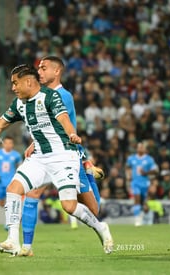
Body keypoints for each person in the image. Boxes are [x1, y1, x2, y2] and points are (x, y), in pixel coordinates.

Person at [0, 64, 113, 256]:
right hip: (39, 157)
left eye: (15, 83)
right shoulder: (19, 103)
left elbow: (64, 119)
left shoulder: (50, 96)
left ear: (28, 81)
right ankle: (13, 241)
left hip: (63, 156)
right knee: (13, 189)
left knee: (69, 206)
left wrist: (72, 134)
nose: (13, 88)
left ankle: (101, 227)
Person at [19, 56, 105, 256]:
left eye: (44, 68)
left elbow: (63, 126)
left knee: (93, 210)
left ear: (57, 71)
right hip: (47, 154)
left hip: (68, 155)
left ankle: (89, 174)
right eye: (38, 68)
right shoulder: (41, 94)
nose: (39, 72)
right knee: (32, 194)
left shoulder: (62, 95)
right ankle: (26, 246)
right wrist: (36, 143)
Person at [126, 142, 158, 226]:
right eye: (139, 147)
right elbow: (127, 167)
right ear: (136, 148)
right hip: (135, 183)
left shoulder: (149, 159)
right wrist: (128, 176)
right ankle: (137, 220)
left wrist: (146, 172)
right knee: (137, 200)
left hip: (145, 183)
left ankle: (147, 219)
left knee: (146, 204)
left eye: (142, 147)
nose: (140, 148)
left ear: (145, 149)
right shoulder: (131, 158)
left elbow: (155, 171)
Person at [0, 136, 22, 208]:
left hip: (11, 180)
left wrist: (18, 176)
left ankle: (10, 216)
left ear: (13, 144)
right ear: (3, 144)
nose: (8, 145)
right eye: (6, 143)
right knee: (1, 203)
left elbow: (21, 166)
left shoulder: (16, 155)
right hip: (0, 180)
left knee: (12, 201)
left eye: (10, 143)